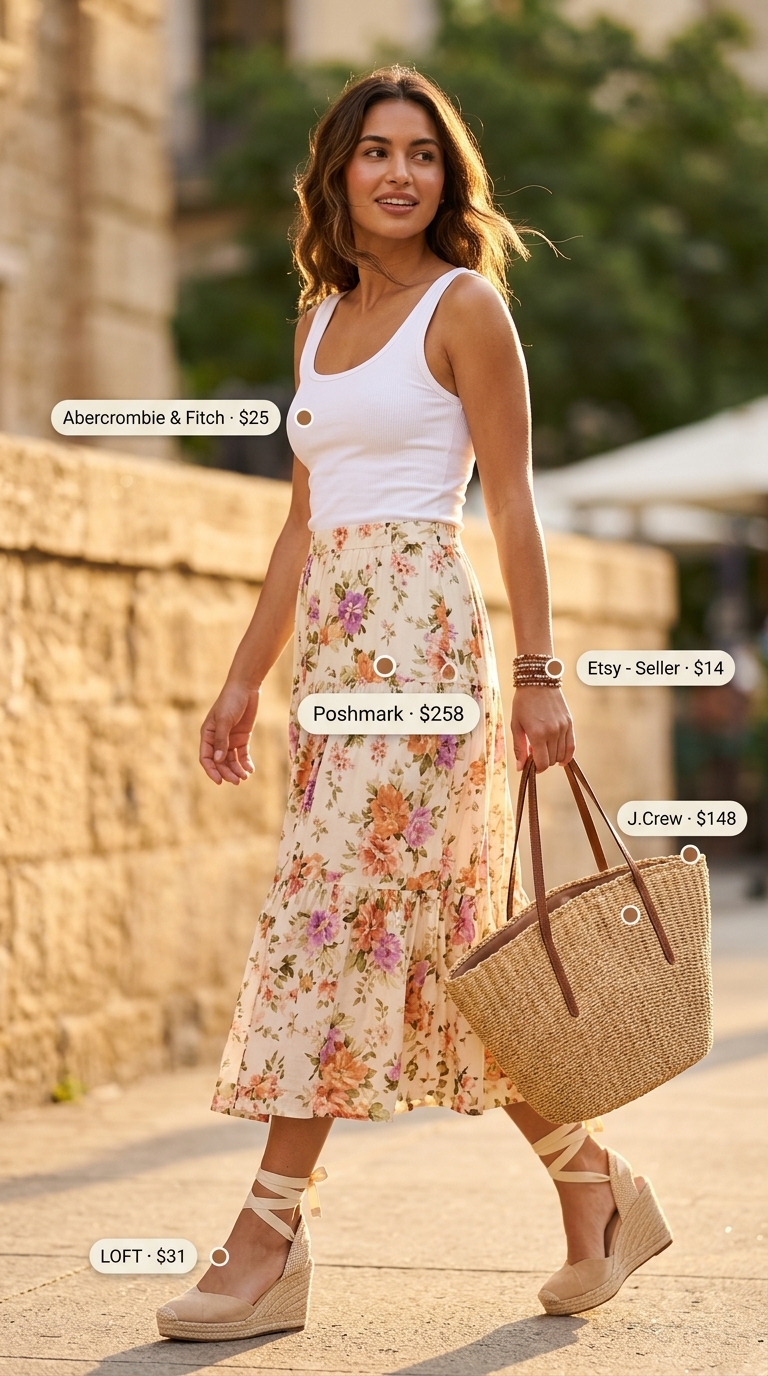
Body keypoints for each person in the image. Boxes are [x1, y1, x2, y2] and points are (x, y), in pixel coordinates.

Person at [157, 65, 671, 1342]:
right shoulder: (317, 321)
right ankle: (597, 1191)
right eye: (376, 151)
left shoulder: (466, 307)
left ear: (449, 179)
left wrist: (544, 676)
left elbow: (511, 506)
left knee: (330, 918)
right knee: (435, 955)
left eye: (423, 155)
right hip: (335, 657)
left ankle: (267, 1233)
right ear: (335, 172)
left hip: (427, 653)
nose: (400, 173)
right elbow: (299, 520)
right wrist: (242, 672)